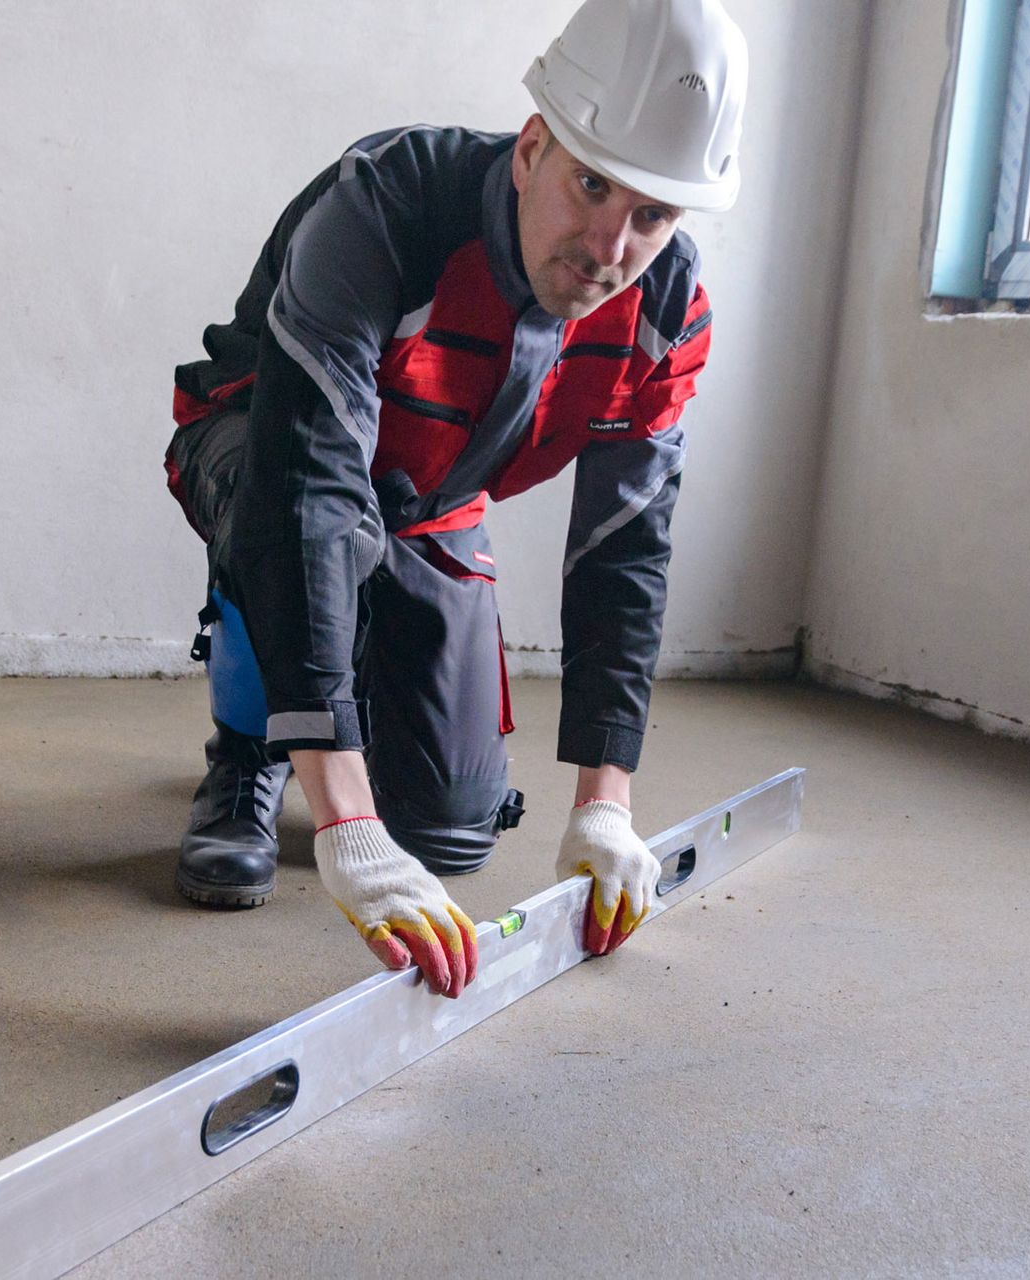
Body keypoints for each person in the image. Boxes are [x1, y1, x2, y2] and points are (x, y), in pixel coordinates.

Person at [161, 0, 747, 999]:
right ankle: (255, 743)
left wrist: (607, 799)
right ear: (531, 149)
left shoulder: (665, 308)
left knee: (448, 829)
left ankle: (344, 702)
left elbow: (624, 545)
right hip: (265, 444)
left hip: (433, 499)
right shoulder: (384, 206)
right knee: (306, 529)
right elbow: (307, 485)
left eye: (651, 214)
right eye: (591, 184)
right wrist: (344, 819)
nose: (611, 245)